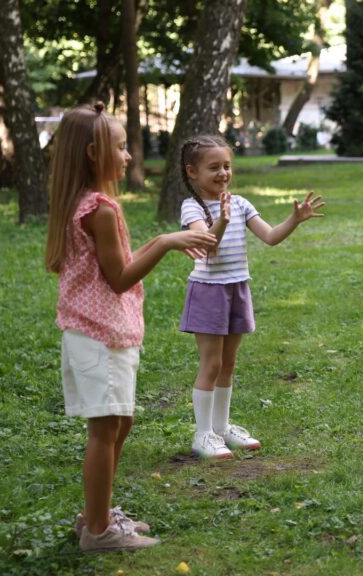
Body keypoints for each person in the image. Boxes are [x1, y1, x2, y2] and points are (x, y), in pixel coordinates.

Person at [45, 103, 217, 552]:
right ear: (92, 153)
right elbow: (120, 278)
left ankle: (95, 516)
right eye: (120, 148)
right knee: (106, 431)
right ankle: (99, 532)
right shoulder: (99, 209)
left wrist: (163, 243)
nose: (127, 156)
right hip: (100, 335)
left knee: (120, 423)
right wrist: (165, 241)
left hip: (101, 333)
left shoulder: (83, 203)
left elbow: (113, 264)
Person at [178, 135, 324, 459]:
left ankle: (220, 428)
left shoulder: (240, 203)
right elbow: (207, 246)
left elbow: (270, 237)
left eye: (227, 166)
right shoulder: (193, 207)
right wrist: (221, 222)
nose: (223, 173)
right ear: (192, 172)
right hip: (208, 292)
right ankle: (202, 434)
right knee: (211, 363)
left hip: (236, 288)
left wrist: (294, 220)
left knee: (228, 363)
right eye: (213, 167)